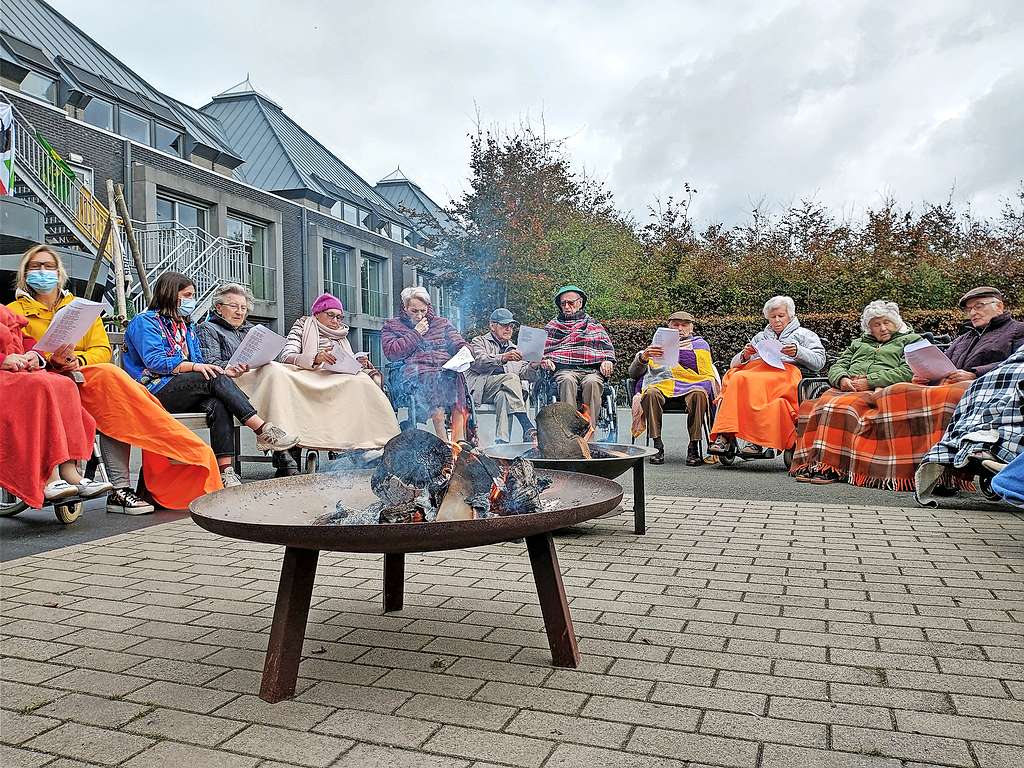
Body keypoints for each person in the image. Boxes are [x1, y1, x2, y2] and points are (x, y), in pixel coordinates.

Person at [9, 245, 222, 512]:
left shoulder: (79, 309)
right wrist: (51, 359)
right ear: (24, 274)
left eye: (49, 266)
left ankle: (122, 488)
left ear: (59, 273)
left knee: (115, 394)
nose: (43, 272)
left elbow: (101, 350)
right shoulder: (14, 311)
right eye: (35, 267)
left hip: (83, 376)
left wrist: (79, 360)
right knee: (114, 393)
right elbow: (14, 352)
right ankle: (120, 487)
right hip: (42, 379)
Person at [124, 271, 299, 488]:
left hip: (185, 388)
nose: (192, 300)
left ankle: (226, 472)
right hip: (154, 388)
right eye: (187, 295)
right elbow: (155, 361)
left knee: (219, 402)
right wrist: (196, 367)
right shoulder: (145, 321)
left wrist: (226, 371)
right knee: (212, 376)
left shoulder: (185, 325)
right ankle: (262, 429)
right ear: (170, 294)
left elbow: (199, 360)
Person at [200, 291, 399, 476]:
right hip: (239, 380)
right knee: (276, 372)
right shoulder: (210, 329)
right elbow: (284, 356)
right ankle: (283, 452)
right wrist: (315, 357)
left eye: (243, 308)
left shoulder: (251, 329)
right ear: (318, 314)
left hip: (323, 379)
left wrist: (358, 363)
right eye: (331, 315)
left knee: (361, 381)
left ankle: (371, 446)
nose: (336, 321)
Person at [789, 301, 956, 488]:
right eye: (876, 324)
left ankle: (829, 467)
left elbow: (908, 371)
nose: (882, 328)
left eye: (887, 322)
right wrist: (842, 379)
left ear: (896, 322)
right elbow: (837, 365)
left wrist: (870, 380)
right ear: (869, 328)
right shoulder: (858, 343)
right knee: (819, 403)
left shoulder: (911, 341)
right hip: (848, 386)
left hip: (880, 389)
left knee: (841, 406)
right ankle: (814, 462)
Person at [0, 304, 111, 507]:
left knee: (64, 384)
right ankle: (50, 477)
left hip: (17, 372)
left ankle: (70, 471)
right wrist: (3, 359)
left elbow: (26, 339)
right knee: (40, 386)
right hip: (6, 377)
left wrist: (35, 356)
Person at [709, 295, 825, 459]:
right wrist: (745, 355)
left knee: (755, 382)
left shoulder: (805, 335)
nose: (777, 320)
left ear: (790, 315)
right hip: (759, 370)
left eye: (781, 316)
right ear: (768, 318)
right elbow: (734, 364)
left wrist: (799, 352)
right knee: (736, 376)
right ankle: (725, 433)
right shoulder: (760, 336)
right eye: (773, 317)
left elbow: (820, 361)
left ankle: (754, 440)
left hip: (788, 372)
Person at [916, 345, 1024, 504]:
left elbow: (1007, 359)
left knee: (953, 394)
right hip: (972, 380)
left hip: (985, 377)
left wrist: (975, 372)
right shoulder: (963, 340)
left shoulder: (1013, 330)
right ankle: (977, 442)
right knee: (907, 392)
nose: (974, 317)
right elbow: (943, 361)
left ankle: (1005, 456)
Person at [628, 311, 717, 466]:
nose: (680, 328)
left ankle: (693, 446)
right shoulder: (656, 346)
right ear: (668, 327)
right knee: (650, 392)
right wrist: (643, 357)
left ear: (692, 328)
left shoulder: (700, 345)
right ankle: (657, 444)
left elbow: (706, 374)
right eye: (675, 325)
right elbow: (633, 374)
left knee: (700, 393)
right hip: (662, 385)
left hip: (691, 385)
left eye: (684, 325)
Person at [382, 286, 469, 442]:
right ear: (405, 307)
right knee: (432, 377)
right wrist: (416, 333)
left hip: (445, 369)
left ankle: (459, 440)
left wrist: (465, 351)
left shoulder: (441, 323)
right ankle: (442, 437)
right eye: (414, 311)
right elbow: (392, 353)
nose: (419, 315)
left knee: (455, 376)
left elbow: (458, 342)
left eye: (423, 310)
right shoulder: (392, 326)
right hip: (415, 372)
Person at [541, 285, 616, 430]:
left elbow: (607, 349)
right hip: (564, 371)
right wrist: (545, 360)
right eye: (563, 303)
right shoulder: (552, 326)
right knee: (567, 380)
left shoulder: (593, 325)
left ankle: (589, 431)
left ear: (580, 302)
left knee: (593, 382)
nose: (567, 306)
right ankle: (570, 430)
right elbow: (542, 352)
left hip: (591, 371)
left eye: (571, 302)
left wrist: (607, 360)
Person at [466, 308, 539, 444]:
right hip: (482, 389)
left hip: (503, 390)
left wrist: (533, 366)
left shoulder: (515, 348)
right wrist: (503, 358)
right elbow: (478, 362)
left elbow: (524, 373)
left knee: (504, 396)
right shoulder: (479, 341)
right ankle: (526, 425)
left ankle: (502, 443)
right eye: (504, 325)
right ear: (492, 326)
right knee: (511, 378)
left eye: (511, 326)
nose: (509, 329)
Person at [928, 287, 1024, 384]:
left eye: (979, 306)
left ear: (999, 307)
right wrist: (928, 378)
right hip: (950, 393)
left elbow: (1019, 364)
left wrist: (976, 375)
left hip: (990, 394)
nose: (972, 313)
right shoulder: (962, 339)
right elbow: (942, 365)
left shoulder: (1019, 330)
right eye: (969, 309)